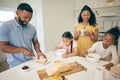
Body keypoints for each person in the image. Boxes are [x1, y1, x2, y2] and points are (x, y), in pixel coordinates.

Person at [0, 3, 46, 68]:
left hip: (31, 61)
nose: (27, 21)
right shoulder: (6, 26)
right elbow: (3, 47)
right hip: (15, 65)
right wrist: (22, 50)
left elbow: (35, 42)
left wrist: (38, 51)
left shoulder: (32, 28)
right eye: (25, 17)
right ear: (17, 13)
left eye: (30, 18)